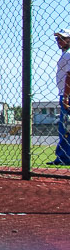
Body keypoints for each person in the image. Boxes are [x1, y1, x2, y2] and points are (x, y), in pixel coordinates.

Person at [49, 29, 70, 166]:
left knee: (65, 127)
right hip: (65, 93)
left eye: (62, 38)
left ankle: (64, 157)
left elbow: (69, 75)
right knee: (65, 126)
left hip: (67, 94)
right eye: (57, 39)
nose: (59, 41)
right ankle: (62, 156)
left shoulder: (67, 55)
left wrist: (66, 96)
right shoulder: (65, 55)